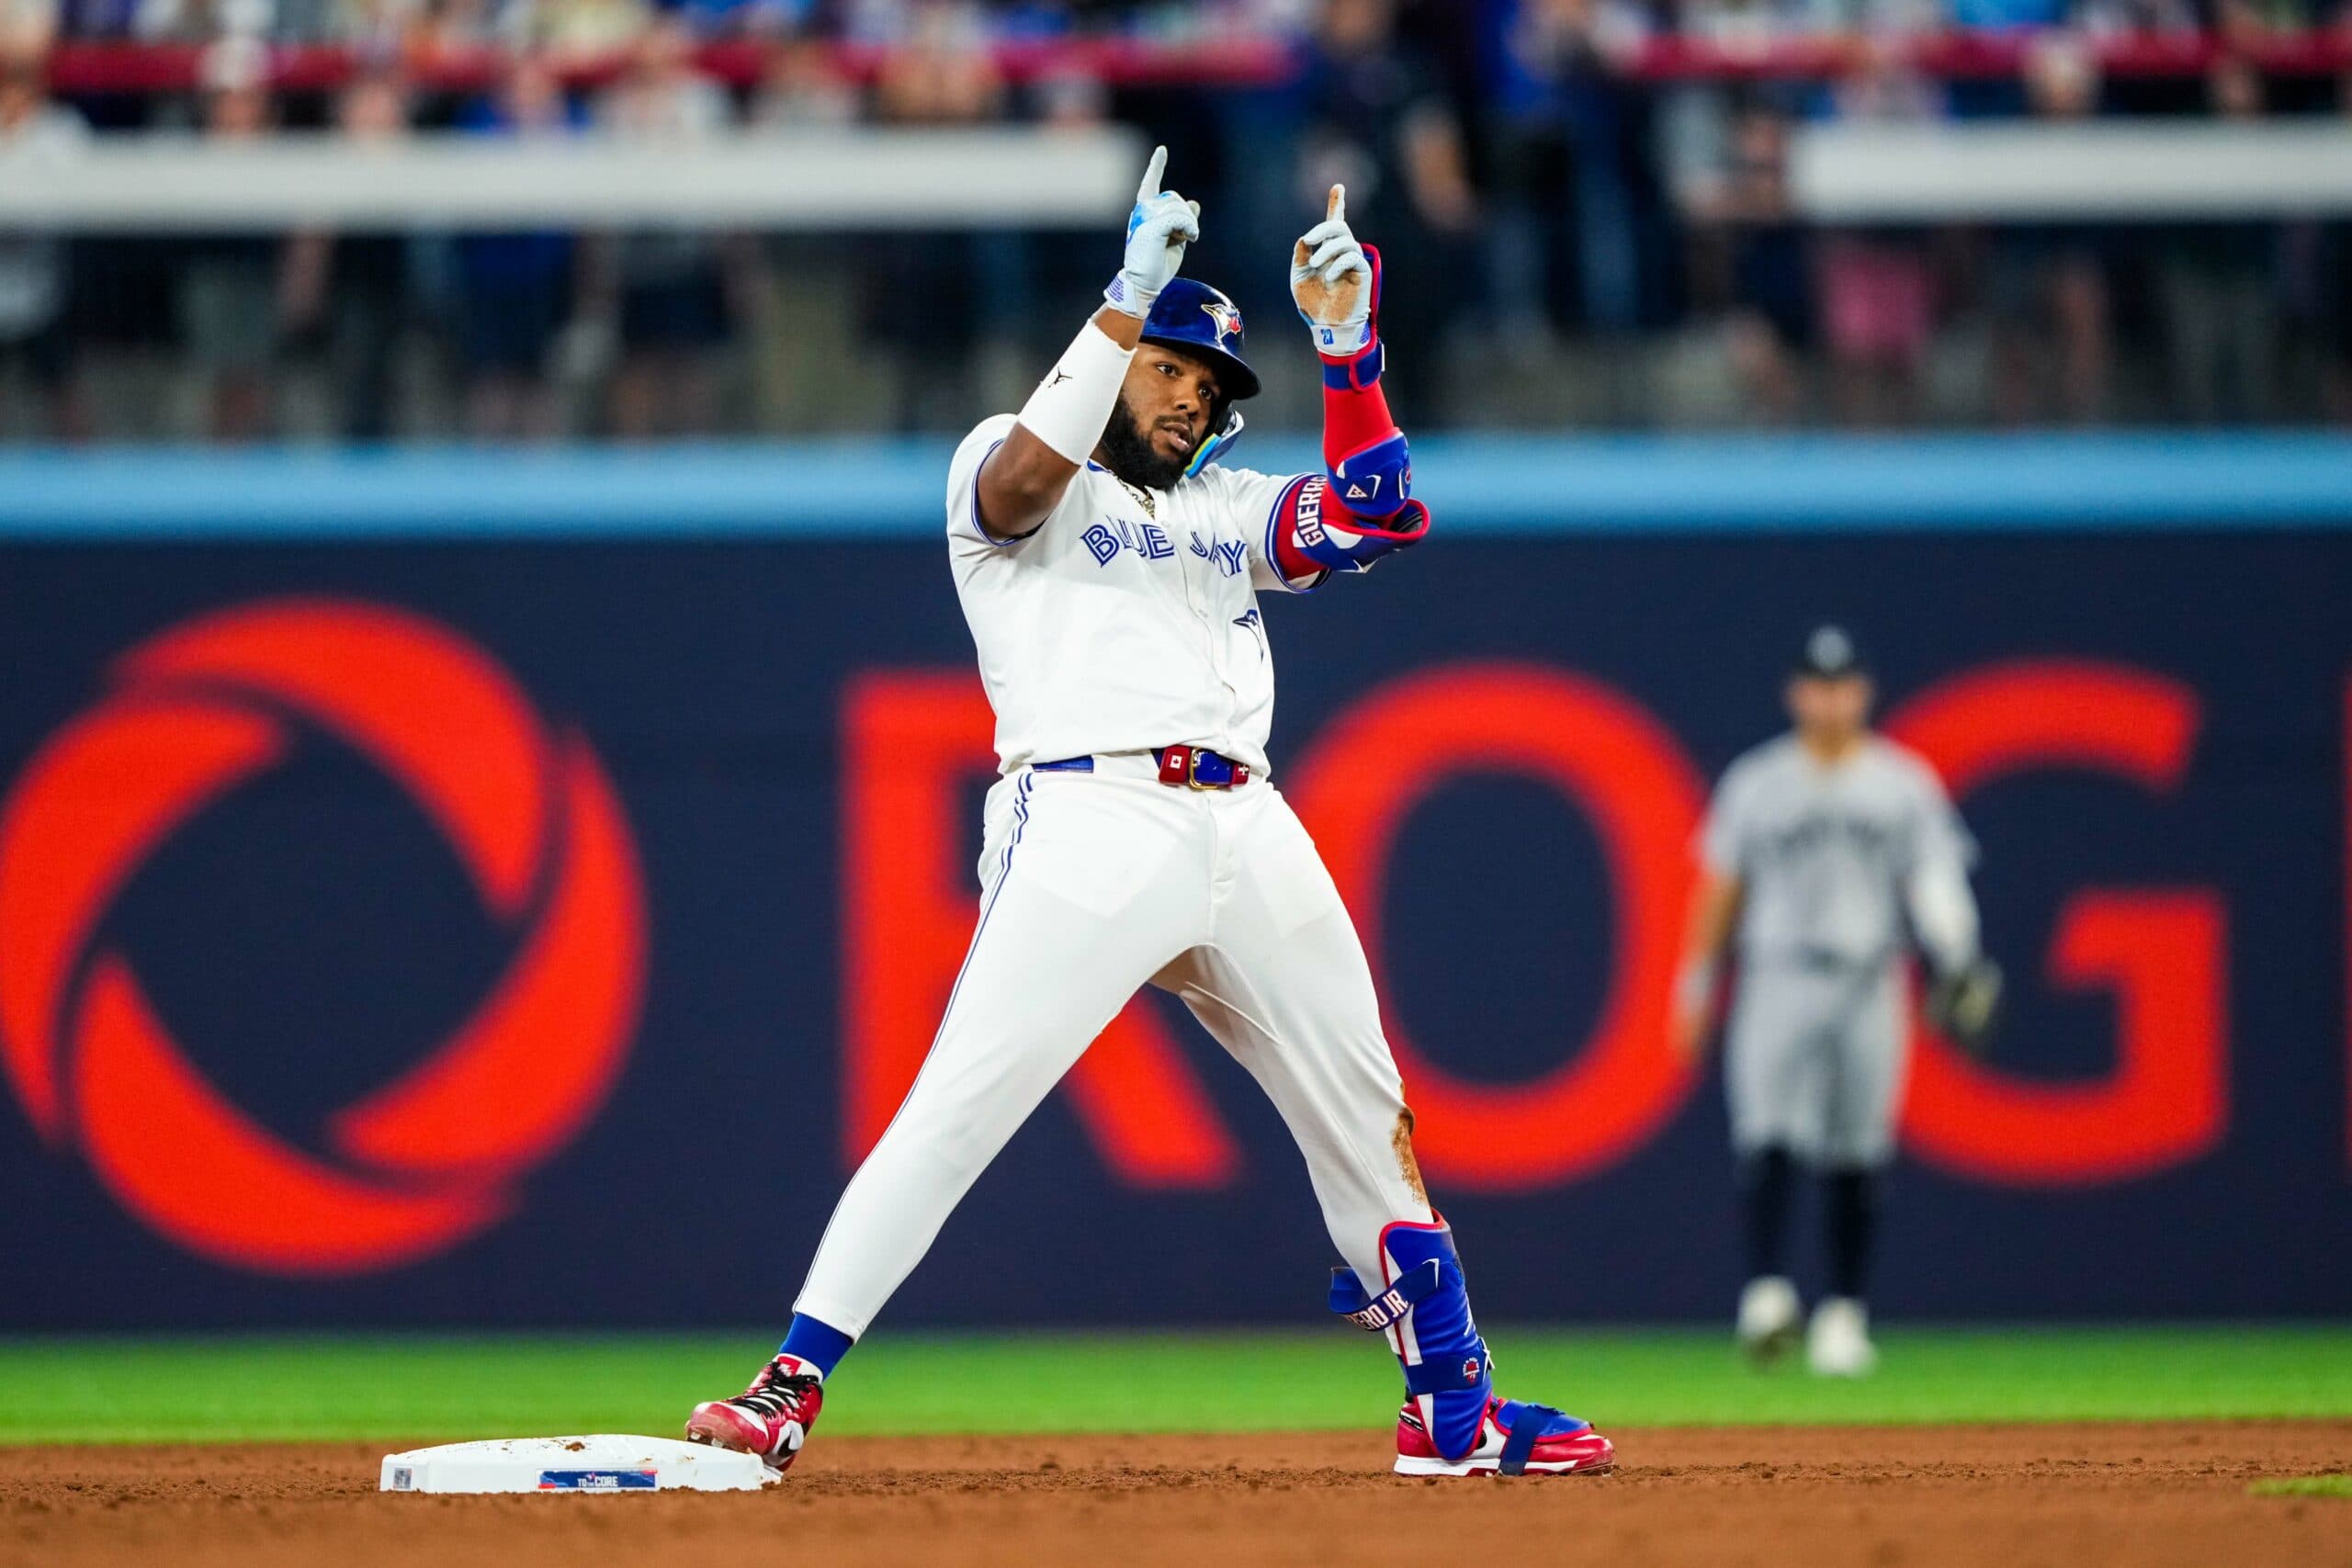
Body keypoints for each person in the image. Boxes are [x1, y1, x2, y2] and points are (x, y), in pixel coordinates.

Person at [682, 149, 1617, 1482]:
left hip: (1247, 823)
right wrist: (1127, 296)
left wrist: (1348, 354)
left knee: (1369, 1110)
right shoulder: (1012, 479)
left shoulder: (1221, 508)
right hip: (1090, 814)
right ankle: (787, 1385)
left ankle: (1450, 1410)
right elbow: (1018, 483)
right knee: (960, 1105)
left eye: (1212, 383)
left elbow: (1374, 513)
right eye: (1173, 367)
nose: (1191, 396)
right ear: (1115, 358)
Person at [1670, 626, 1996, 1377]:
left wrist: (1957, 954)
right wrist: (1694, 983)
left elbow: (1934, 879)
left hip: (1869, 973)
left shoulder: (1902, 781)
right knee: (1769, 1133)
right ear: (1796, 693)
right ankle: (1767, 1295)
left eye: (1844, 683)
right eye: (1818, 683)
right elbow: (1722, 888)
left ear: (1864, 691)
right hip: (1778, 968)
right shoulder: (1758, 781)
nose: (1830, 698)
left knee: (1859, 1148)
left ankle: (1844, 1316)